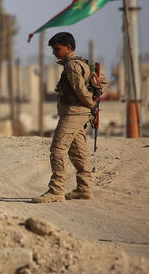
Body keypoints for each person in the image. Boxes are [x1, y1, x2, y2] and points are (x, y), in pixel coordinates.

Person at [33, 32, 107, 203]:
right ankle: (84, 189)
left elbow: (80, 89)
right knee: (78, 152)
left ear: (68, 47)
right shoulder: (83, 63)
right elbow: (102, 81)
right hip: (78, 113)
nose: (54, 53)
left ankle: (56, 190)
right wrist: (93, 101)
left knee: (58, 149)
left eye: (57, 49)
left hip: (74, 114)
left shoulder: (72, 66)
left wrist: (91, 103)